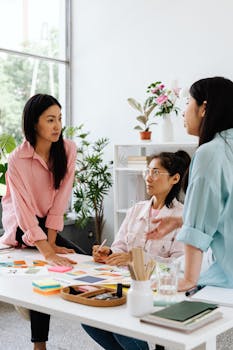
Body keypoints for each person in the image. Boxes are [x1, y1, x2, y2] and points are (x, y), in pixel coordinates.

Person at [82, 150, 191, 350]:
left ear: (175, 178)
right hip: (122, 284)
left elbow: (178, 266)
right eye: (147, 171)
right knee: (89, 319)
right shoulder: (136, 210)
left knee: (122, 329)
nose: (148, 178)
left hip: (155, 290)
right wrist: (109, 253)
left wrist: (136, 259)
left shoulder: (182, 217)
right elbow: (120, 246)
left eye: (156, 172)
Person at [0, 94, 84, 350]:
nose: (57, 125)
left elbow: (60, 200)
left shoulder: (68, 149)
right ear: (34, 123)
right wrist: (46, 251)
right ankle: (40, 345)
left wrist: (51, 242)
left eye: (59, 118)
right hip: (21, 224)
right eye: (50, 120)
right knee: (45, 269)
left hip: (48, 221)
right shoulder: (17, 159)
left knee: (85, 264)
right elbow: (22, 209)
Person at [147, 76, 233, 291]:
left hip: (223, 280)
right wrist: (179, 220)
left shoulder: (210, 153)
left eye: (187, 103)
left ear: (204, 108)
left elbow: (199, 224)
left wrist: (188, 280)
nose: (184, 112)